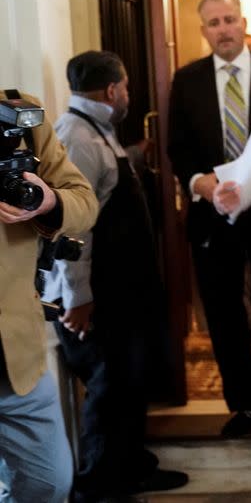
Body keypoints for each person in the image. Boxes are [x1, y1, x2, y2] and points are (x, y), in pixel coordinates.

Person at [43, 50, 189, 501]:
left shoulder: (97, 132)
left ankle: (132, 468)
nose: (127, 94)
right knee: (109, 393)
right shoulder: (78, 138)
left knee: (129, 384)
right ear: (112, 90)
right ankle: (102, 485)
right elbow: (73, 228)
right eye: (125, 88)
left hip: (124, 293)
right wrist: (78, 298)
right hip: (100, 297)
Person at [167, 0, 251, 437]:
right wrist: (201, 184)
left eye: (229, 19)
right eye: (213, 23)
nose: (223, 29)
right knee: (224, 318)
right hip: (213, 217)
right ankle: (246, 408)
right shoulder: (185, 81)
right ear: (203, 30)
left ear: (243, 22)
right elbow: (178, 149)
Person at [0, 89, 99, 502]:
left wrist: (47, 200)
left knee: (51, 482)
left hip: (18, 357)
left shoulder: (19, 112)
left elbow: (84, 201)